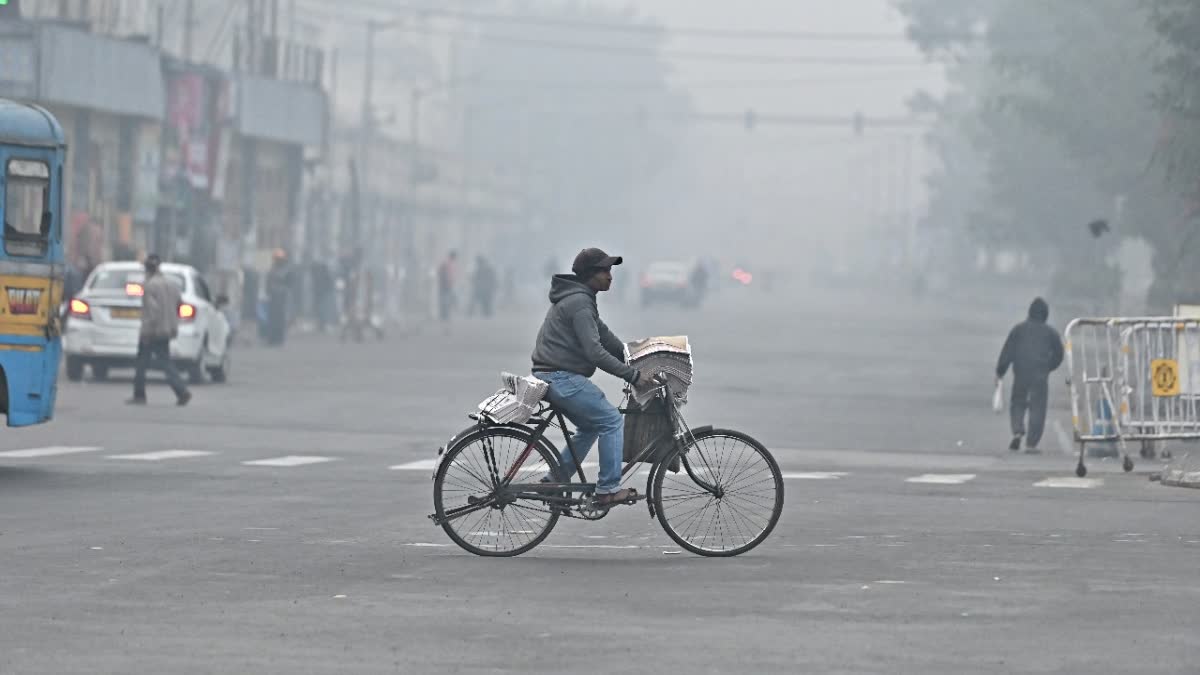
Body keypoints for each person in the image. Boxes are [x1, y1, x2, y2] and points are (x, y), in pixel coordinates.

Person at [531, 248, 644, 506]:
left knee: (591, 426)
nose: (610, 276)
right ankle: (608, 490)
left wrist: (635, 355)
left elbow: (604, 336)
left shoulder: (582, 298)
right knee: (611, 420)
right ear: (590, 275)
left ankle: (554, 481)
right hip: (560, 376)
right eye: (605, 271)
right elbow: (595, 352)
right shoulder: (579, 302)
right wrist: (633, 375)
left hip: (552, 374)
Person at [996, 297, 1064, 453]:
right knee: (1038, 408)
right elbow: (1059, 355)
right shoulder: (1051, 333)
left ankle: (1018, 431)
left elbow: (1007, 352)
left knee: (1018, 403)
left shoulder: (1018, 329)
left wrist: (1000, 372)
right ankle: (1031, 443)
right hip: (1040, 374)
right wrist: (1048, 367)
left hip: (1021, 373)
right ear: (1045, 314)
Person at [129, 254, 191, 406]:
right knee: (165, 362)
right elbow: (180, 305)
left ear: (147, 269)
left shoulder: (149, 286)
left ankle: (140, 395)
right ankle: (181, 391)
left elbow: (152, 311)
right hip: (166, 330)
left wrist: (146, 332)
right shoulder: (171, 284)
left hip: (152, 331)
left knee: (142, 363)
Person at [265, 249, 290, 346]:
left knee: (280, 319)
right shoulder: (272, 270)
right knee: (273, 319)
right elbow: (268, 283)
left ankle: (279, 339)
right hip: (273, 297)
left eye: (279, 259)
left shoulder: (285, 270)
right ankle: (272, 339)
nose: (277, 261)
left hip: (281, 297)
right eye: (276, 259)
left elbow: (289, 284)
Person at [437, 250, 458, 323]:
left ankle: (444, 314)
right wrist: (449, 282)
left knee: (445, 299)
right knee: (446, 299)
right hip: (446, 285)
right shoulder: (447, 263)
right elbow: (448, 275)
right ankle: (444, 314)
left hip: (445, 284)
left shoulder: (447, 263)